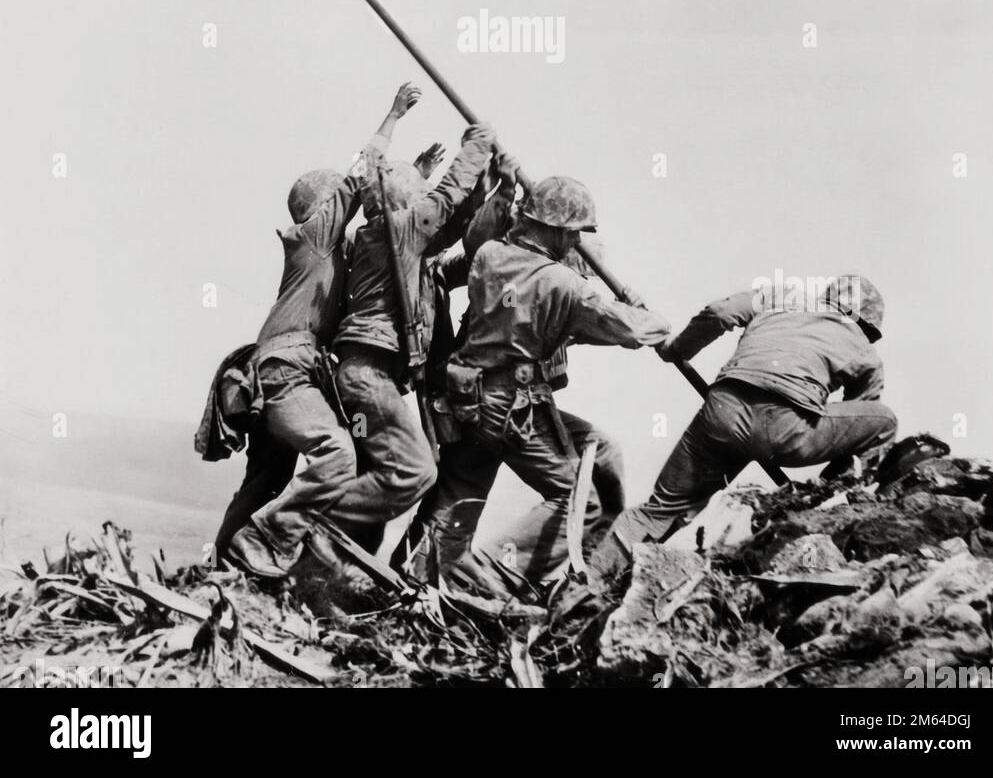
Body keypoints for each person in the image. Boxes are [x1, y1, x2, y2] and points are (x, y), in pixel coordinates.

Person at [219, 83, 422, 577]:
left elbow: (387, 221)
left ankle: (228, 568)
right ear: (321, 208)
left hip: (288, 371)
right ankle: (265, 547)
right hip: (286, 370)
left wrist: (418, 176)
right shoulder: (310, 238)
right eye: (337, 202)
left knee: (266, 479)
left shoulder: (329, 253)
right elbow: (360, 179)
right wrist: (392, 116)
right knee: (336, 452)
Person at [590, 274, 897, 582]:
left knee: (658, 510)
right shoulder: (865, 351)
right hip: (786, 432)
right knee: (884, 421)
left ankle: (589, 581)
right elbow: (857, 426)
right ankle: (833, 497)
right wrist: (829, 485)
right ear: (866, 323)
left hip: (722, 413)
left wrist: (679, 350)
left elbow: (720, 313)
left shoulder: (781, 296)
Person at [441, 176, 670, 588]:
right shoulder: (563, 284)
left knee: (461, 494)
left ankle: (427, 577)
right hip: (511, 405)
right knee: (579, 502)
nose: (576, 242)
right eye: (574, 233)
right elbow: (632, 331)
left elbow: (528, 313)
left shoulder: (490, 255)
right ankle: (487, 579)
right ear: (560, 230)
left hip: (468, 397)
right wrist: (647, 315)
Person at [323, 121, 498, 550]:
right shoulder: (398, 231)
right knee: (415, 472)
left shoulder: (393, 243)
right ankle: (305, 518)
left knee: (376, 480)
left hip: (369, 376)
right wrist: (476, 146)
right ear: (406, 203)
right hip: (368, 376)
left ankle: (336, 560)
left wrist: (490, 187)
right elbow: (445, 201)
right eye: (420, 194)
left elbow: (454, 229)